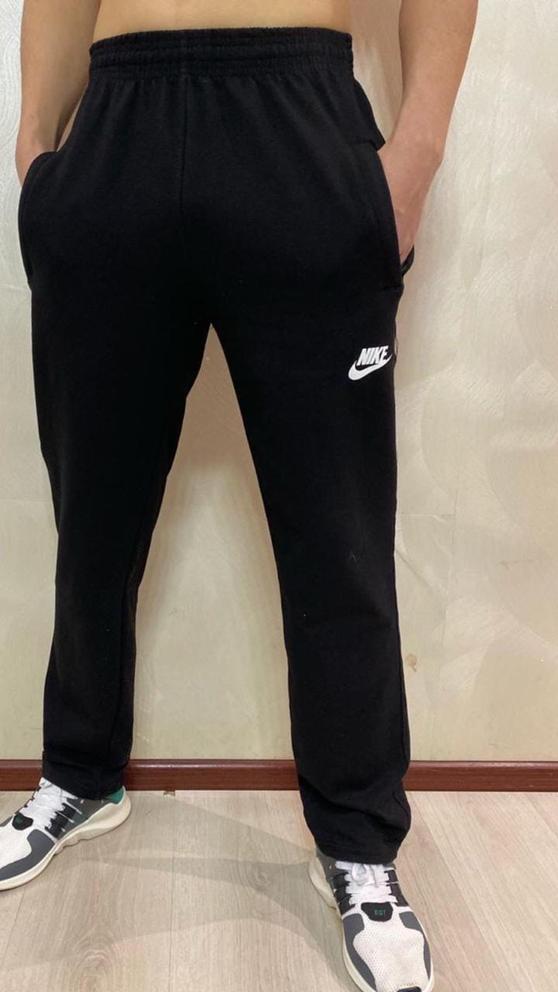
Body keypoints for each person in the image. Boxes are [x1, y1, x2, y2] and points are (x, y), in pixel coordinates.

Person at [2, 1, 477, 989]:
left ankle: (357, 837)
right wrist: (37, 151)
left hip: (298, 113)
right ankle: (80, 773)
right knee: (94, 513)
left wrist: (416, 155)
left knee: (339, 529)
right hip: (115, 128)